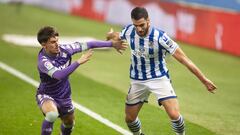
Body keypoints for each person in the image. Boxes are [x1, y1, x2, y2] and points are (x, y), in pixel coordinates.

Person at [107, 7, 217, 135]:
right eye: (136, 25)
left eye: (142, 25)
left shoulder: (160, 37)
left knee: (174, 115)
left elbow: (184, 59)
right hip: (137, 80)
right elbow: (118, 35)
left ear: (149, 21)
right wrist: (110, 36)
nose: (139, 29)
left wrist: (204, 80)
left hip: (159, 78)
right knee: (129, 119)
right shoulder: (129, 30)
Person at [36, 26, 127, 135]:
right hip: (47, 94)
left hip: (64, 95)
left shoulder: (66, 50)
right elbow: (58, 75)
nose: (57, 44)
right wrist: (78, 62)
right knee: (52, 114)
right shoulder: (43, 61)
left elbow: (90, 44)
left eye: (57, 40)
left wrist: (112, 44)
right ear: (43, 44)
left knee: (69, 123)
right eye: (52, 42)